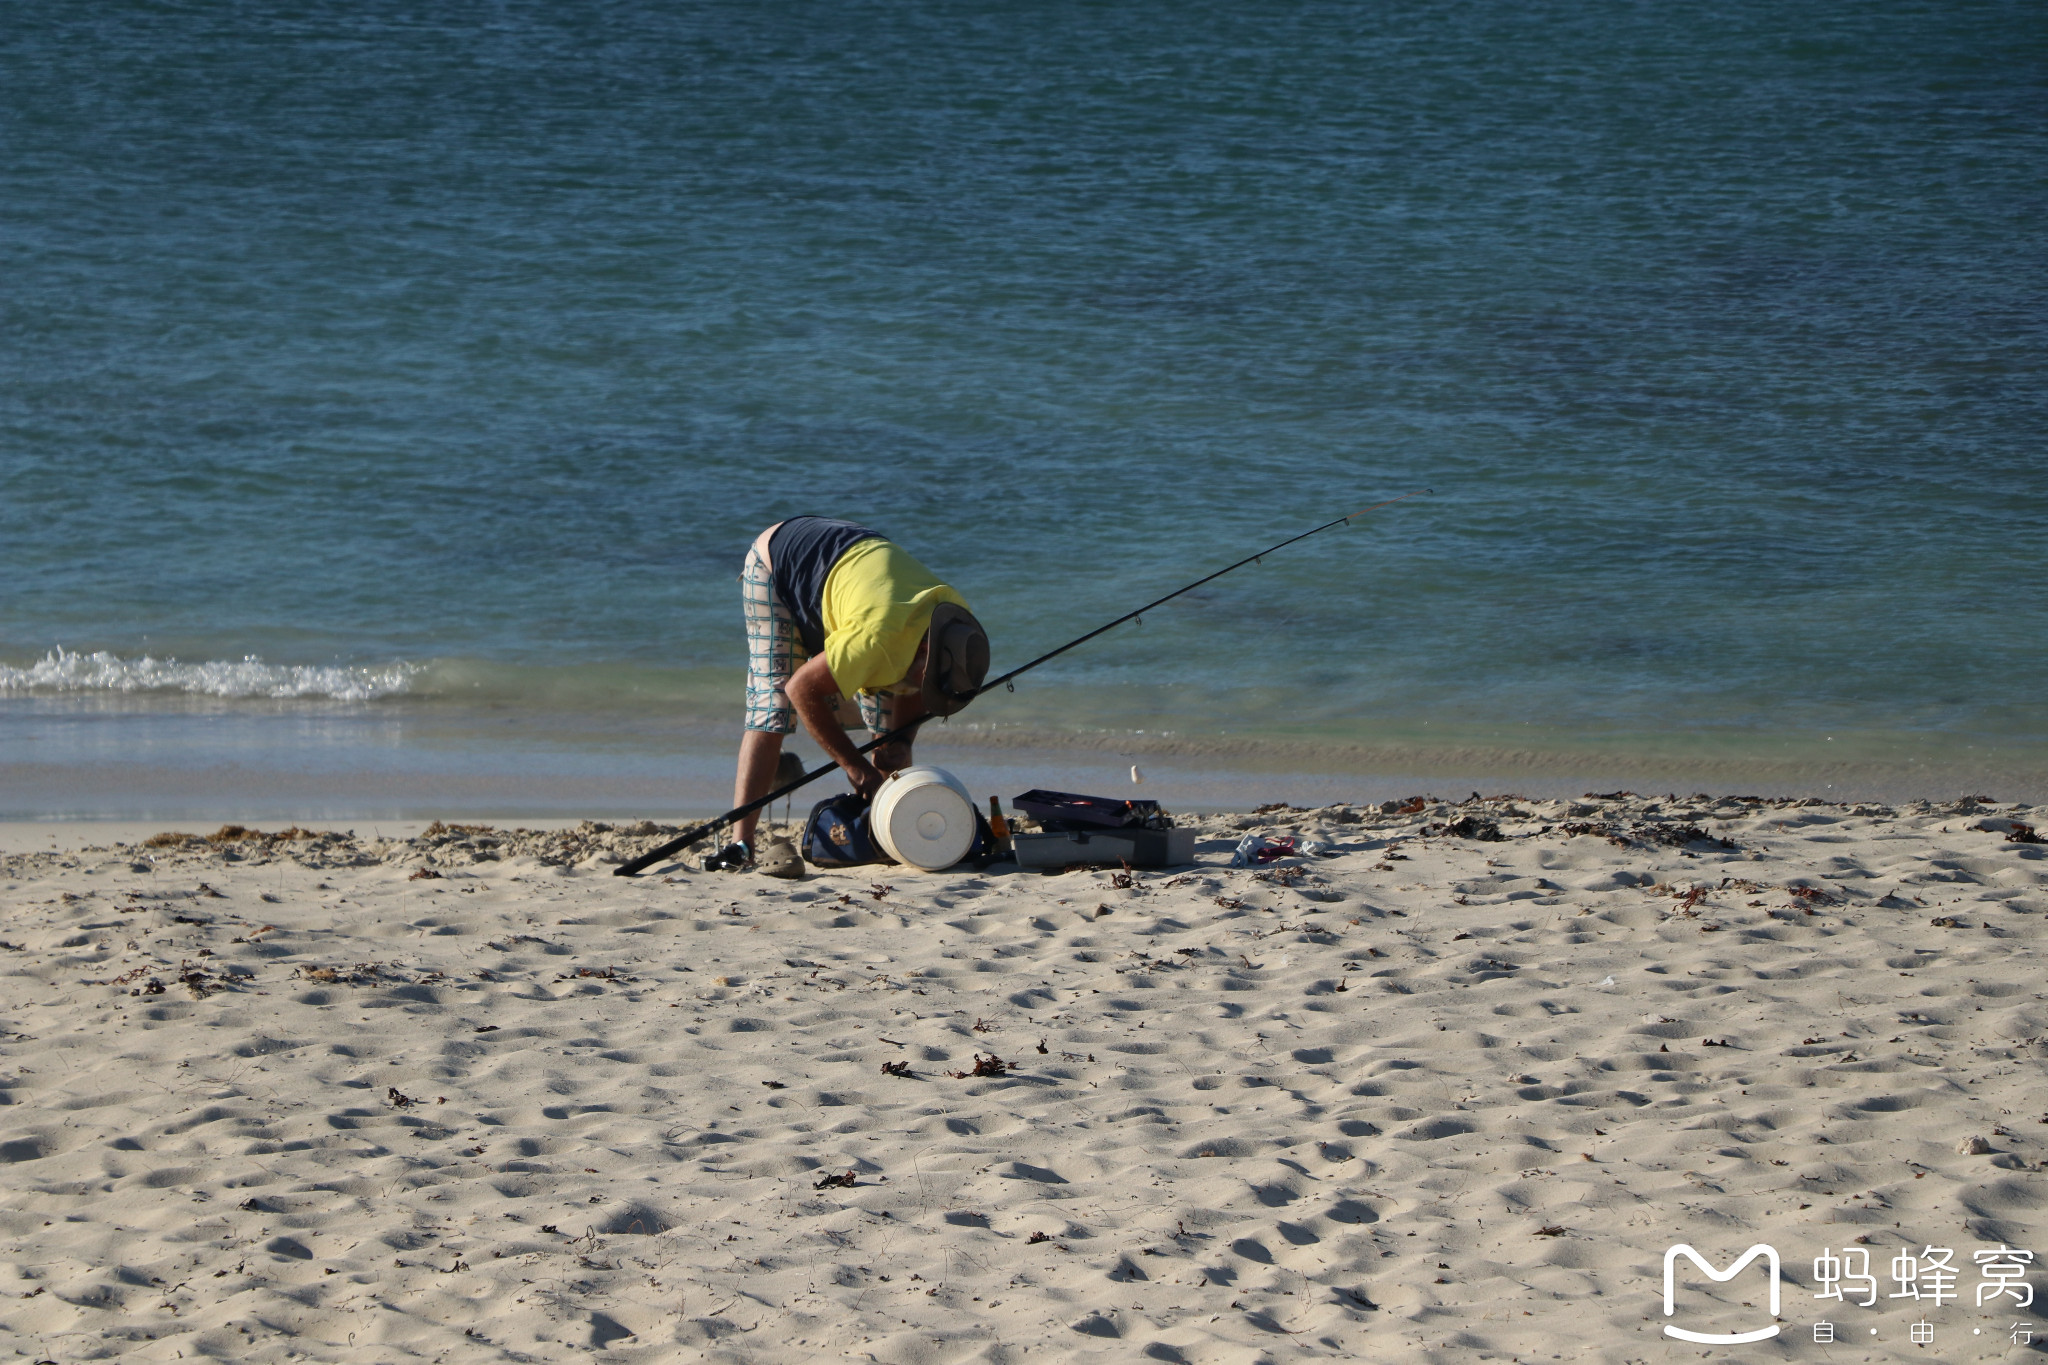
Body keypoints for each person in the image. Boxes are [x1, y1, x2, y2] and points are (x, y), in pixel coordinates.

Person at [709, 516, 990, 869]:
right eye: (929, 683)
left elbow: (911, 688)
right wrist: (855, 767)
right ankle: (741, 845)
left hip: (855, 573)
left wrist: (900, 741)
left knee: (891, 734)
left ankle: (886, 832)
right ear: (924, 653)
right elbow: (801, 690)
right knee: (775, 703)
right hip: (778, 564)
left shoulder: (954, 626)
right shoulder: (875, 640)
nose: (925, 691)